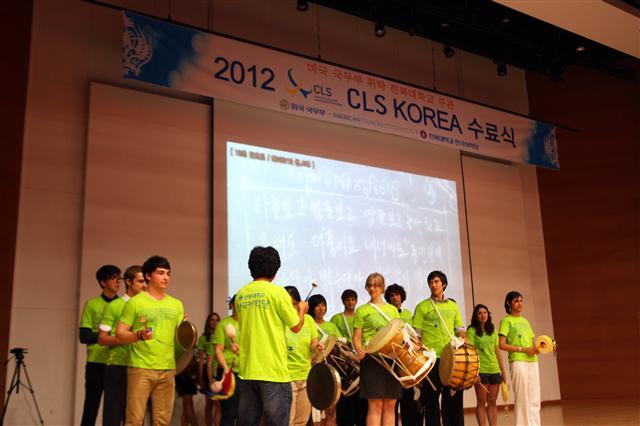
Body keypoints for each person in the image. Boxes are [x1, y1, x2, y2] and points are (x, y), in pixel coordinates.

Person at [235, 246, 308, 426]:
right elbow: (296, 326)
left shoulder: (241, 294)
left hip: (247, 372)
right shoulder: (278, 292)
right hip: (273, 373)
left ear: (251, 267)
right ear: (275, 270)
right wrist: (301, 309)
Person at [116, 255, 184, 426]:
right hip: (141, 368)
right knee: (134, 420)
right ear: (148, 275)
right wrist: (138, 335)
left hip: (167, 368)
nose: (165, 277)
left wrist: (186, 332)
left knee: (162, 422)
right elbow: (120, 333)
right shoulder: (135, 302)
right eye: (160, 273)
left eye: (168, 273)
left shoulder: (176, 304)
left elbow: (181, 336)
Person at [412, 270, 466, 426]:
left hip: (451, 358)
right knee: (431, 400)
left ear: (444, 284)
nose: (433, 285)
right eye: (431, 282)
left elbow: (460, 329)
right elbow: (416, 335)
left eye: (436, 281)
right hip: (431, 359)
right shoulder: (422, 306)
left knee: (453, 399)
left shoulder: (453, 306)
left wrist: (463, 340)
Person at [98, 265, 147, 426]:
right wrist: (127, 337)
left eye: (145, 281)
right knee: (112, 418)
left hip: (140, 367)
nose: (144, 285)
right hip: (118, 366)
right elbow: (102, 339)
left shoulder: (146, 307)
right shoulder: (114, 305)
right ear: (128, 281)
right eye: (140, 281)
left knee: (135, 418)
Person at [352, 272, 401, 426]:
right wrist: (359, 349)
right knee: (375, 405)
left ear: (382, 287)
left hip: (391, 359)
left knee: (390, 405)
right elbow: (356, 336)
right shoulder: (362, 310)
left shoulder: (392, 310)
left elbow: (399, 333)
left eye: (376, 285)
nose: (372, 288)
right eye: (369, 286)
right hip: (372, 360)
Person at [79, 264, 122, 426]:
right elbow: (84, 336)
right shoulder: (92, 304)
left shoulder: (125, 305)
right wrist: (107, 337)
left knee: (115, 410)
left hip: (117, 361)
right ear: (103, 282)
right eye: (113, 278)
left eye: (119, 278)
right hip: (96, 362)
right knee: (91, 407)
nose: (117, 281)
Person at [498, 291, 540, 426]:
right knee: (522, 398)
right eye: (516, 301)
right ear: (508, 303)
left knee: (534, 398)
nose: (520, 304)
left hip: (532, 361)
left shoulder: (526, 321)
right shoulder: (506, 320)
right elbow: (502, 345)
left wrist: (539, 348)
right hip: (518, 361)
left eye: (521, 301)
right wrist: (523, 350)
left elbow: (532, 344)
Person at [383, 283, 420, 426]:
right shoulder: (385, 314)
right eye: (391, 295)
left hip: (407, 359)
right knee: (393, 400)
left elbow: (413, 334)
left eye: (397, 295)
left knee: (408, 399)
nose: (394, 297)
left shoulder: (408, 314)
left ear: (402, 296)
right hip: (391, 359)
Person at [330, 289, 366, 426]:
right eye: (347, 300)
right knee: (346, 397)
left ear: (356, 301)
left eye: (353, 299)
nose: (350, 302)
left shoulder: (361, 316)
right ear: (343, 301)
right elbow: (335, 340)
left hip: (361, 359)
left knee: (362, 398)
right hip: (344, 363)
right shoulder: (337, 318)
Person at [467, 304, 507, 426]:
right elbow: (471, 353)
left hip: (494, 370)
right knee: (481, 402)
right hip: (481, 371)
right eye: (480, 313)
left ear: (488, 315)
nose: (483, 315)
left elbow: (497, 352)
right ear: (476, 316)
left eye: (485, 313)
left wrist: (503, 372)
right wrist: (475, 373)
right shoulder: (471, 331)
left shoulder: (494, 332)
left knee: (492, 402)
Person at [285, 286, 319, 426]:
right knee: (288, 421)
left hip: (306, 375)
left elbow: (313, 344)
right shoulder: (281, 320)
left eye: (294, 304)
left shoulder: (309, 320)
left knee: (302, 420)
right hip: (287, 377)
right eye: (288, 304)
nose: (292, 308)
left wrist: (317, 346)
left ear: (300, 303)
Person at [308, 294, 343, 426]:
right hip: (312, 369)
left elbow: (340, 344)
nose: (321, 308)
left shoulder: (331, 326)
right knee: (310, 410)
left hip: (329, 368)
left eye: (323, 305)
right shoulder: (307, 325)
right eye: (317, 305)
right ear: (311, 308)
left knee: (330, 408)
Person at [213, 295, 241, 426]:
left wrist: (241, 350)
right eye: (237, 304)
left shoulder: (249, 324)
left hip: (245, 374)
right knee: (229, 414)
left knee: (244, 414)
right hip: (228, 373)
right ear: (232, 305)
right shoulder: (223, 324)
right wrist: (225, 368)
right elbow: (218, 350)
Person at [198, 312, 222, 426]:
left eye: (217, 320)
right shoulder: (203, 338)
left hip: (219, 372)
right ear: (208, 322)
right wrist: (200, 378)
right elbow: (201, 360)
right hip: (208, 373)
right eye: (212, 320)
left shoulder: (221, 337)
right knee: (210, 404)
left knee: (217, 405)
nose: (214, 322)